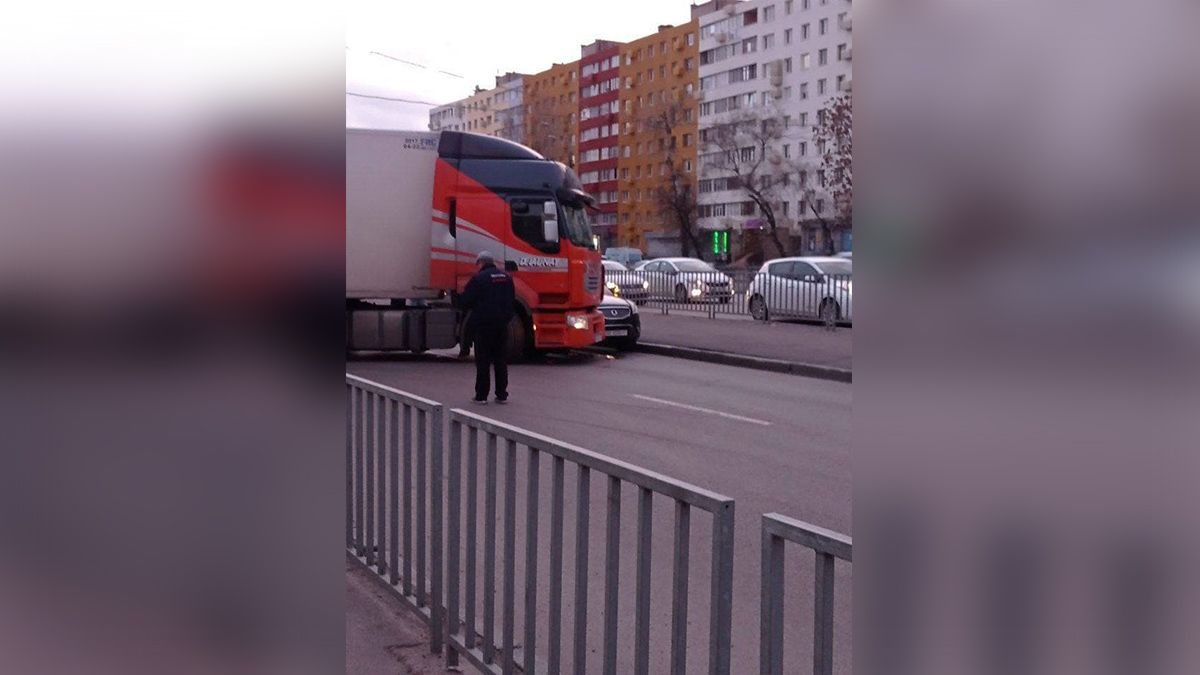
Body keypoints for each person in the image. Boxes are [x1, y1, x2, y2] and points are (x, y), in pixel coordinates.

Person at [458, 251, 515, 404]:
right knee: (500, 360)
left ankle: (481, 396)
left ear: (481, 263)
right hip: (502, 325)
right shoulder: (507, 278)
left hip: (484, 326)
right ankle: (502, 394)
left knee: (483, 361)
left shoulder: (479, 279)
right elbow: (511, 300)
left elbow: (466, 301)